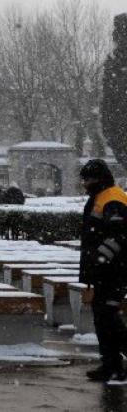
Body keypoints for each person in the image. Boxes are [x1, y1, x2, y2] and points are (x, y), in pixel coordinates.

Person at [79, 159, 127, 382]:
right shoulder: (102, 196)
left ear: (98, 179)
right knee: (103, 317)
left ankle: (113, 364)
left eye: (87, 179)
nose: (85, 184)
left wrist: (100, 258)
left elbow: (120, 235)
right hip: (106, 271)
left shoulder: (112, 199)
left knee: (108, 318)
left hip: (113, 271)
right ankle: (110, 364)